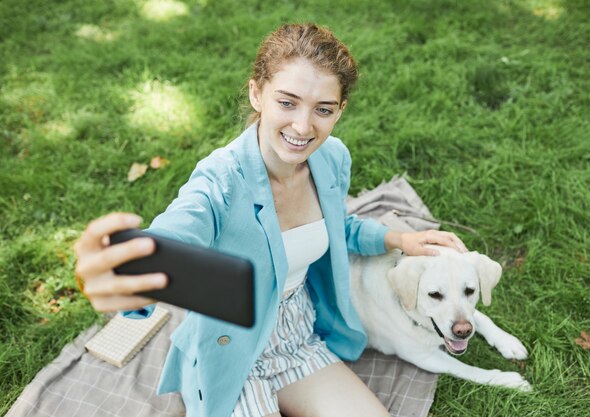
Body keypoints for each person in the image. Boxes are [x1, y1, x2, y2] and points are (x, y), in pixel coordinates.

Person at [73, 23, 468, 417]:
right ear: (256, 93)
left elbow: (337, 227)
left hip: (298, 334)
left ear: (340, 110)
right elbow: (176, 234)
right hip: (233, 346)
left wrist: (399, 239)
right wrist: (127, 265)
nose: (302, 126)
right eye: (287, 102)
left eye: (323, 110)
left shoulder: (333, 158)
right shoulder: (220, 180)